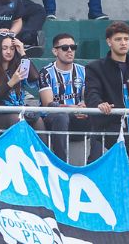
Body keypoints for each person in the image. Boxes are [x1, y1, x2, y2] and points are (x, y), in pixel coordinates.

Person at [84, 21, 129, 184]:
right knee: (123, 161)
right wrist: (99, 104)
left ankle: (127, 204)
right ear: (109, 42)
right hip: (109, 127)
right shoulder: (95, 67)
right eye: (118, 39)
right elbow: (92, 93)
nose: (123, 43)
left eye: (126, 39)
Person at [37, 32, 89, 163]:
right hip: (53, 118)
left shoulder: (83, 71)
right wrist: (73, 108)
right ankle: (61, 164)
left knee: (99, 116)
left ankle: (95, 164)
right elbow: (48, 103)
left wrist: (84, 105)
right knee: (61, 116)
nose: (70, 51)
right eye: (65, 48)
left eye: (73, 47)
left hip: (78, 117)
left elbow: (87, 95)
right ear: (55, 51)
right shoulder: (46, 72)